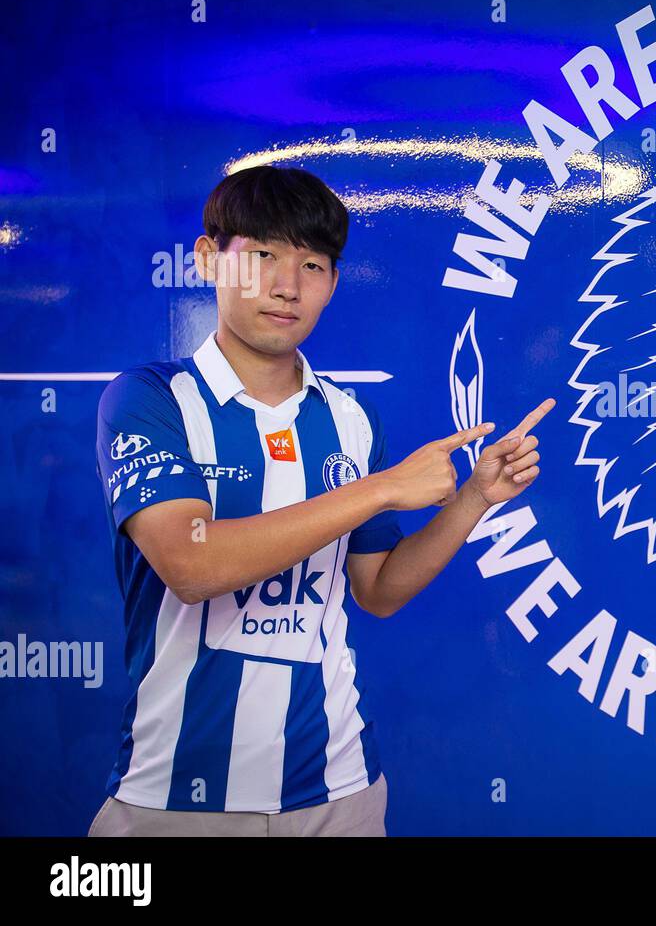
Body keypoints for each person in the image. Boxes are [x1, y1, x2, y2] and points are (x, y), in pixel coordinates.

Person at [88, 165, 553, 836]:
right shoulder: (149, 400)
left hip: (340, 792)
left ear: (333, 283)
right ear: (206, 259)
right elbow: (193, 568)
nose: (286, 286)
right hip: (173, 800)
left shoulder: (349, 419)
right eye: (263, 256)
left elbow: (379, 590)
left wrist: (474, 498)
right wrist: (384, 487)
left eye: (312, 264)